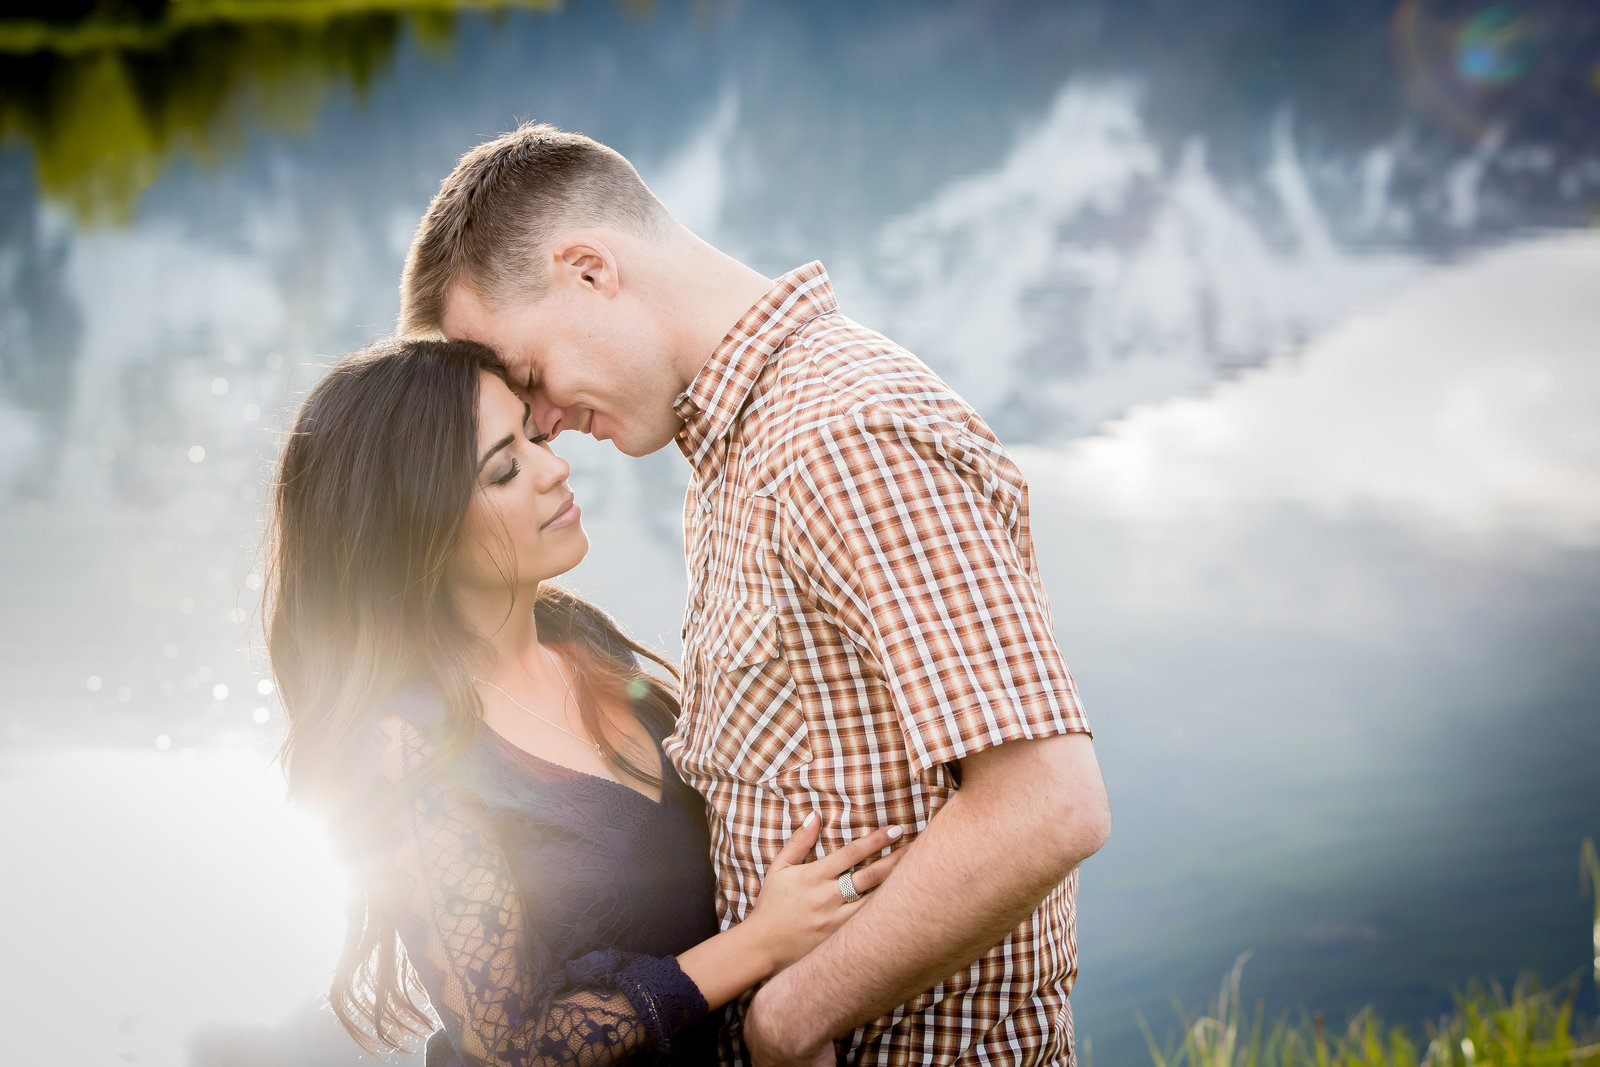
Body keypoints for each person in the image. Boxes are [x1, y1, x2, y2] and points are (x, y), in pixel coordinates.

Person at [396, 124, 1113, 1067]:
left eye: (530, 378)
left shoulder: (838, 438)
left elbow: (1049, 807)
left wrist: (789, 1015)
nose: (544, 423)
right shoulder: (743, 449)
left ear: (587, 270)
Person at [261, 337, 905, 1066]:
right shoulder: (406, 743)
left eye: (535, 436)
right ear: (417, 535)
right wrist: (759, 943)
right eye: (504, 468)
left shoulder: (579, 638)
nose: (555, 466)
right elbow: (518, 1044)